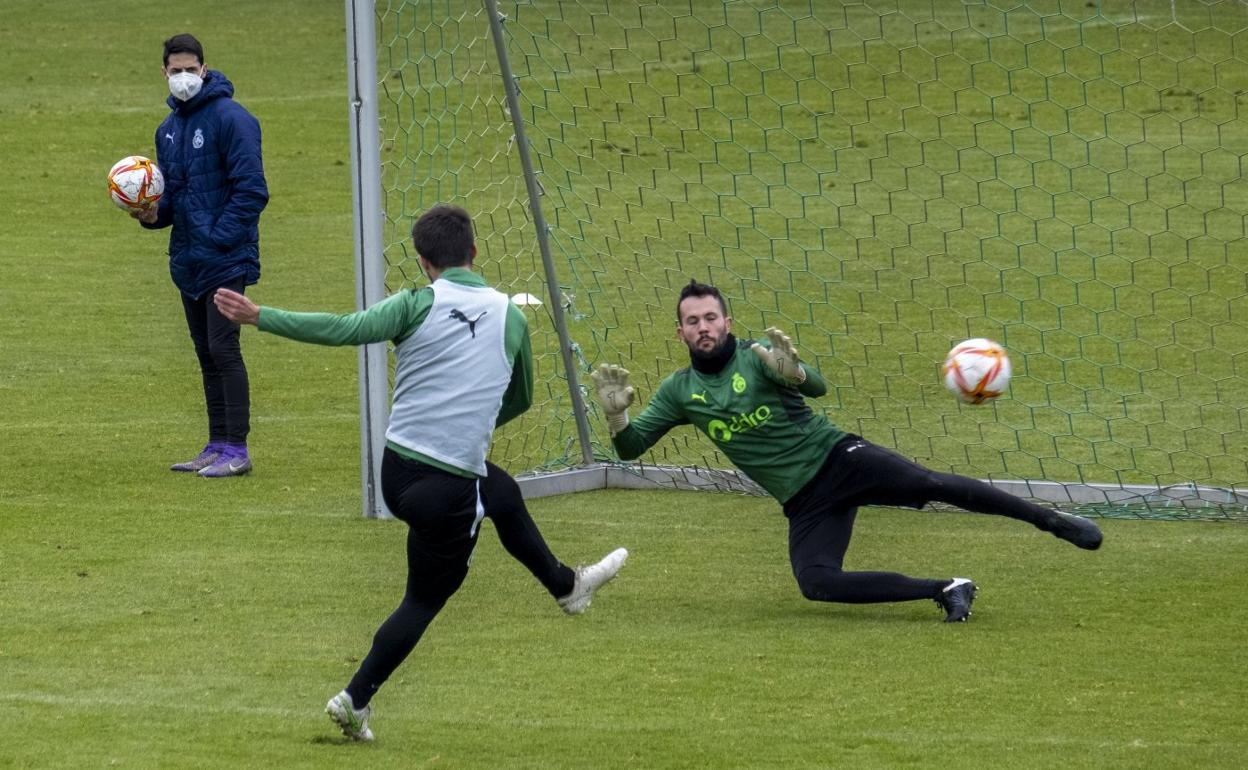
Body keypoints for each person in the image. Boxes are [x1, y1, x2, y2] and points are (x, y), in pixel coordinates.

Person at [214, 204, 627, 741]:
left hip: (397, 473)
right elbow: (520, 398)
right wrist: (474, 418)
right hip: (446, 489)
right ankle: (354, 699)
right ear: (475, 251)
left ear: (423, 261)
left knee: (499, 490)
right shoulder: (514, 317)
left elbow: (345, 329)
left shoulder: (414, 303)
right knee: (426, 597)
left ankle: (565, 586)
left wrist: (259, 315)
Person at [591, 279, 1101, 624]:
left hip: (840, 459)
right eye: (692, 321)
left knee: (928, 485)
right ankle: (946, 588)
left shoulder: (758, 356)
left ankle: (1050, 520)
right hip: (803, 502)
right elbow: (631, 449)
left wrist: (796, 372)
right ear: (679, 332)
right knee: (816, 583)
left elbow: (818, 390)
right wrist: (617, 416)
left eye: (711, 317)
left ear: (727, 321)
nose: (703, 327)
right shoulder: (679, 391)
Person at [135, 33, 268, 477]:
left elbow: (252, 191)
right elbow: (175, 201)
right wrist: (151, 214)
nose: (185, 78)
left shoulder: (232, 118)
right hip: (190, 263)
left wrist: (216, 238)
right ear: (165, 73)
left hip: (226, 259)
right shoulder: (167, 130)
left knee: (223, 347)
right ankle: (216, 443)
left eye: (192, 70)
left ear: (205, 69)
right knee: (205, 352)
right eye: (177, 71)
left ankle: (238, 450)